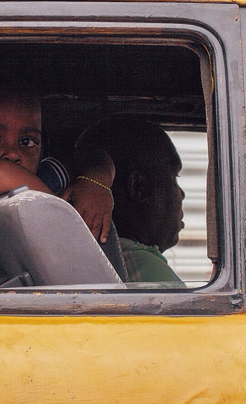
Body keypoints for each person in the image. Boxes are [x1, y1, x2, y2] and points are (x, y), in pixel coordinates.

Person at [0, 84, 115, 289]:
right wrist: (58, 214)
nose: (13, 153)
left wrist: (95, 183)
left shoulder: (40, 179)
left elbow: (89, 155)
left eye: (27, 142)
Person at [79, 115, 185, 285]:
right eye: (174, 177)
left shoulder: (83, 260)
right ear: (138, 188)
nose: (182, 193)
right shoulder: (144, 269)